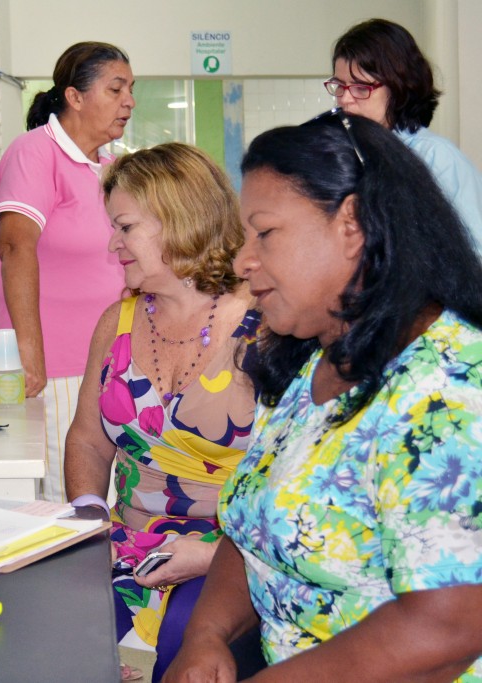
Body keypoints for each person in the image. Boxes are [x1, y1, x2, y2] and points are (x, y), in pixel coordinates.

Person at [164, 111, 482, 682]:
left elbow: (451, 627)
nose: (243, 261)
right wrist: (206, 635)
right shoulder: (313, 363)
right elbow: (255, 527)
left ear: (351, 224)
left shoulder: (450, 387)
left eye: (266, 233)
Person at [64, 143, 259, 681]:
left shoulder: (265, 327)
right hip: (125, 548)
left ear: (178, 222)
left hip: (229, 554)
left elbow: (299, 480)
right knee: (58, 632)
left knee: (183, 642)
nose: (113, 244)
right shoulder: (117, 321)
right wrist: (88, 521)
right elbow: (87, 439)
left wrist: (215, 554)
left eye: (125, 227)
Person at [0, 41, 135, 502]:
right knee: (69, 508)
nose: (128, 101)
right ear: (75, 97)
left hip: (113, 365)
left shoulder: (112, 170)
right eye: (116, 90)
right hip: (57, 372)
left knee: (112, 504)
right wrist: (31, 354)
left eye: (131, 89)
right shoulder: (36, 153)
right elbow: (15, 245)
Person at [328, 18, 482, 249]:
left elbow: (474, 254)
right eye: (340, 86)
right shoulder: (354, 155)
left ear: (398, 88)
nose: (345, 100)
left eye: (361, 88)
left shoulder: (437, 158)